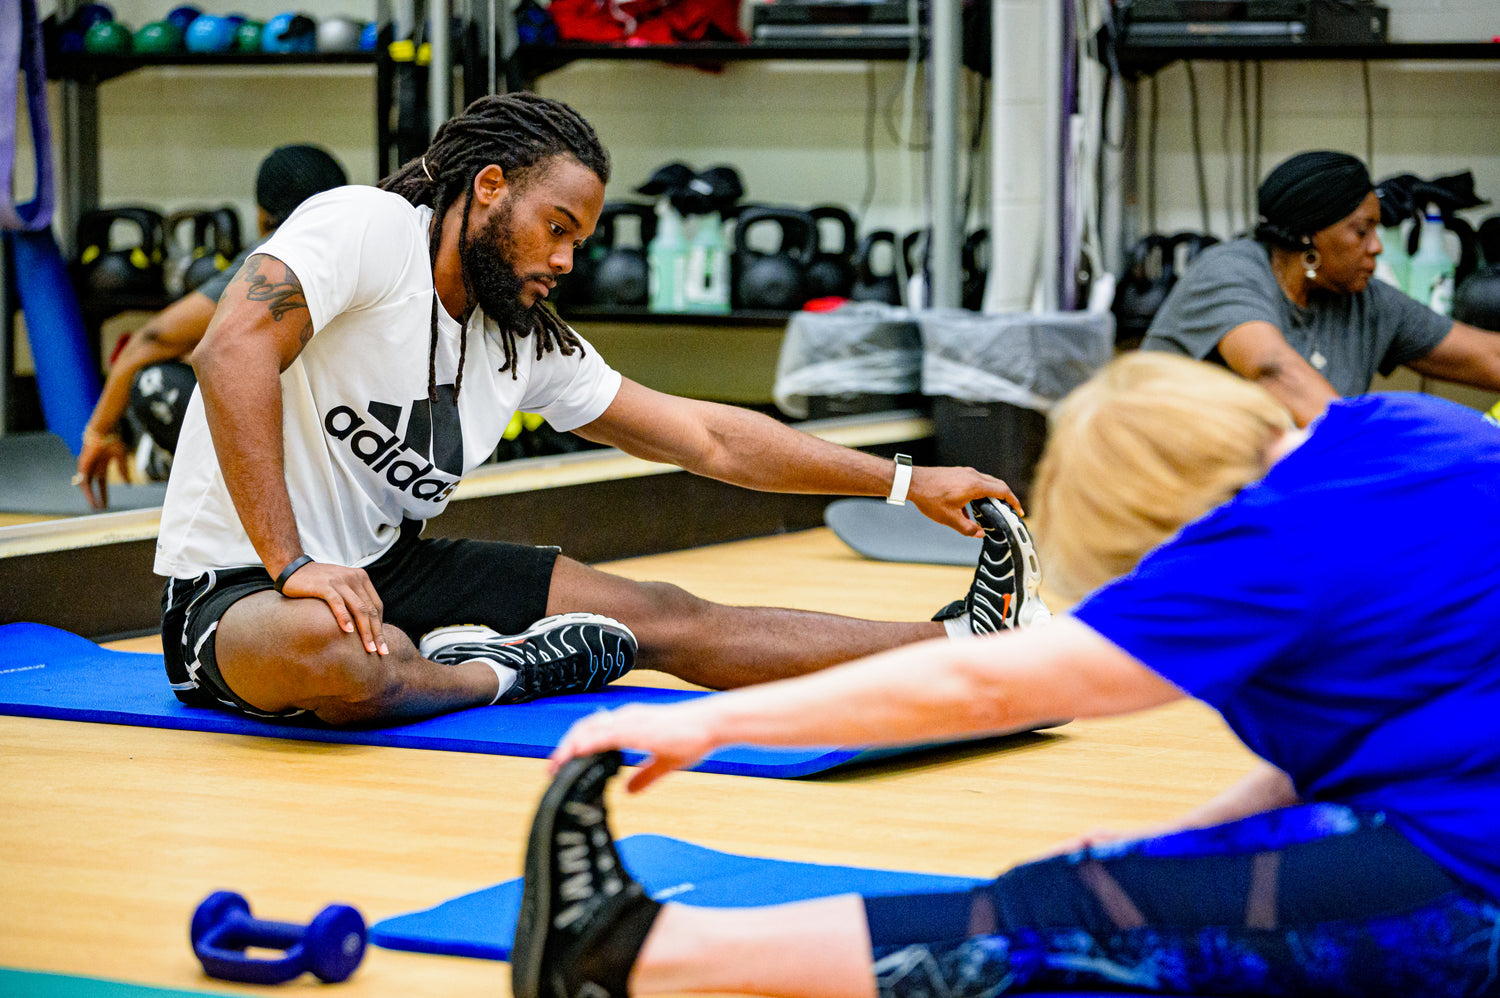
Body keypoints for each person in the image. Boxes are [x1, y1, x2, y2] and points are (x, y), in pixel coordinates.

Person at [520, 351, 1500, 998]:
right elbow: (1362, 745)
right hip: (1457, 819)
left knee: (1075, 918)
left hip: (1473, 878)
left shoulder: (1261, 542)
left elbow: (992, 684)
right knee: (1119, 882)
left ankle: (642, 955)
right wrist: (1177, 835)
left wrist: (717, 723)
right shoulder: (1404, 428)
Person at [154, 92, 1048, 728]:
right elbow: (231, 350)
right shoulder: (366, 226)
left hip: (390, 571)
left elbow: (713, 440)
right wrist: (294, 560)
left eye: (580, 240)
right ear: (492, 187)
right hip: (243, 587)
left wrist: (905, 480)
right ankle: (497, 675)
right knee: (341, 655)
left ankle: (956, 641)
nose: (568, 260)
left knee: (662, 613)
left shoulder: (523, 339)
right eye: (558, 227)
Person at [73, 144, 349, 509]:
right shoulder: (360, 247)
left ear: (263, 214)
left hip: (297, 457)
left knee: (154, 382)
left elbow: (152, 339)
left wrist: (97, 433)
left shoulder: (274, 253)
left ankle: (207, 477)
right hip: (355, 442)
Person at [1142, 150, 1500, 427]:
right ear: (1309, 234)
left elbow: (1488, 356)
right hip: (1160, 494)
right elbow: (1276, 373)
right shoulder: (1230, 272)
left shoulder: (1362, 299)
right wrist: (1384, 456)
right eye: (1362, 231)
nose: (1376, 246)